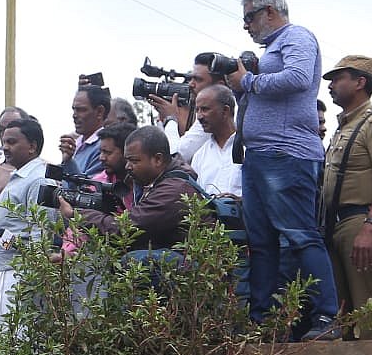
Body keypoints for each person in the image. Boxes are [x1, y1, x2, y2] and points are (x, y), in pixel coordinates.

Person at [224, 0, 339, 339]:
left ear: (270, 11)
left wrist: (250, 80)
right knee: (261, 244)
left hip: (286, 154)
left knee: (300, 236)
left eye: (249, 17)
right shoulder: (273, 48)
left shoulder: (297, 36)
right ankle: (265, 324)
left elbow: (300, 78)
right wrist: (241, 84)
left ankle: (326, 316)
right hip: (260, 157)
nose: (246, 25)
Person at [321, 55, 372, 339]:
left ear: (360, 82)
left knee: (368, 314)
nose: (330, 85)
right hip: (338, 225)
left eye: (338, 78)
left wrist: (370, 226)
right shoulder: (343, 126)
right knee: (344, 316)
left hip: (361, 222)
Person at [59, 125, 197, 254]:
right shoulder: (157, 182)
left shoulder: (173, 190)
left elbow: (125, 229)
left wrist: (75, 214)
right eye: (127, 160)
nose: (128, 166)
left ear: (158, 159)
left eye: (134, 161)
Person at [0, 118, 53, 328]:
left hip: (19, 274)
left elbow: (41, 230)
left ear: (32, 146)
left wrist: (35, 272)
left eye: (12, 142)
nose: (5, 147)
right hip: (4, 270)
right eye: (4, 141)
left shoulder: (40, 180)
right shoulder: (21, 176)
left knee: (12, 338)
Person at [189, 85, 241, 197]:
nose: (199, 116)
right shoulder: (199, 156)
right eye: (197, 110)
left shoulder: (250, 149)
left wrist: (242, 202)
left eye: (205, 109)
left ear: (225, 111)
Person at [59, 85, 110, 177]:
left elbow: (89, 188)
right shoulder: (76, 143)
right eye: (74, 109)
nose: (74, 115)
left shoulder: (104, 148)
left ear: (99, 112)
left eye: (81, 110)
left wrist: (69, 162)